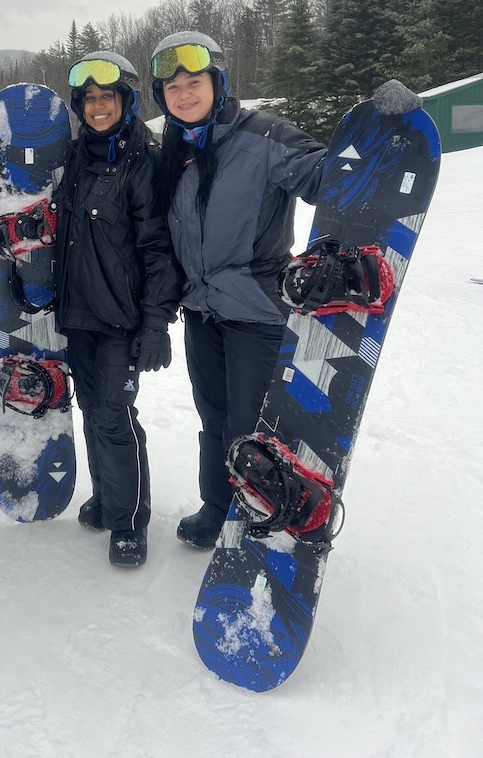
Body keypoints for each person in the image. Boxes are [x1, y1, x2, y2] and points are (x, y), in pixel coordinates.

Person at [150, 31, 327, 550]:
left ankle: (264, 512)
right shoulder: (175, 152)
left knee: (254, 424)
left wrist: (379, 143)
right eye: (173, 88)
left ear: (218, 82)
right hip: (202, 313)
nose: (184, 94)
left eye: (194, 82)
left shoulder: (263, 136)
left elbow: (323, 176)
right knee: (215, 418)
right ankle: (218, 504)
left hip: (257, 310)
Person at [55, 50, 181, 568]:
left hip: (120, 318)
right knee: (92, 412)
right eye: (89, 98)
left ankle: (129, 521)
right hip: (77, 314)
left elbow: (157, 248)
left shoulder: (141, 164)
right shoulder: (76, 159)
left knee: (114, 417)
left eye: (108, 97)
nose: (98, 106)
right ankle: (108, 497)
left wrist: (155, 322)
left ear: (126, 102)